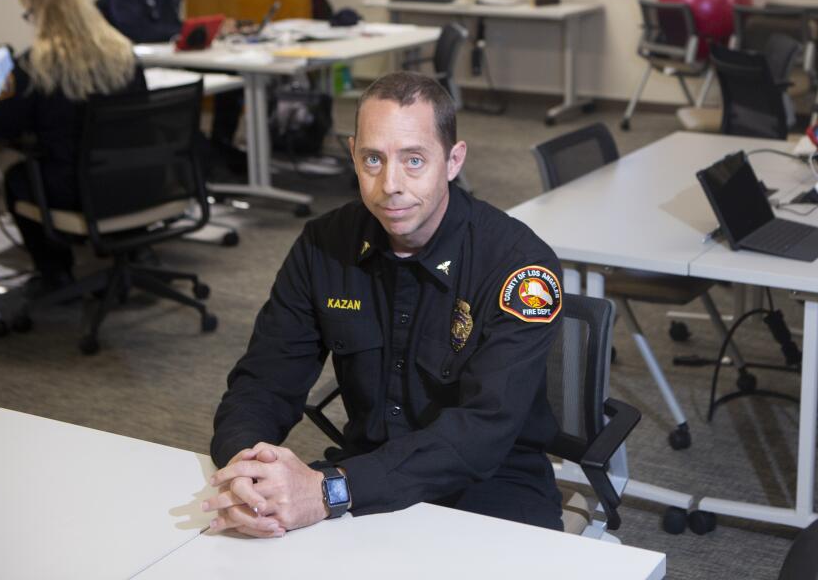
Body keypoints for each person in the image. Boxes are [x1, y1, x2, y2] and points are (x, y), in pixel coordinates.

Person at [207, 71, 565, 538]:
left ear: (454, 160)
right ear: (353, 153)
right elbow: (264, 380)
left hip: (490, 489)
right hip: (365, 476)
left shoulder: (519, 265)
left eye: (414, 160)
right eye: (372, 159)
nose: (389, 184)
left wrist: (328, 491)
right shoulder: (324, 244)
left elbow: (483, 433)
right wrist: (248, 469)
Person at [0, 0, 148, 294]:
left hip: (74, 190)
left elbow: (0, 126)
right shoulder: (122, 53)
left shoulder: (34, 66)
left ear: (39, 12)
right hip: (137, 179)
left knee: (18, 177)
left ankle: (55, 271)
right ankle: (130, 247)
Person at [96, 0, 243, 165]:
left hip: (168, 54)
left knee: (232, 73)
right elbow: (134, 29)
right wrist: (181, 31)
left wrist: (195, 32)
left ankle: (221, 145)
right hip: (131, 62)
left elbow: (170, 23)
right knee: (184, 92)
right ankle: (189, 154)